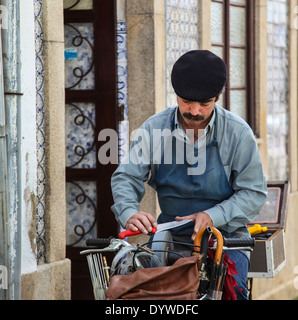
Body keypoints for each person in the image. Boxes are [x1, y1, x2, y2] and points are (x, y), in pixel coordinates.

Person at [110, 50, 267, 299]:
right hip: (169, 236)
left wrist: (211, 216)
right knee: (152, 296)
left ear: (217, 98)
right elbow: (126, 177)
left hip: (225, 237)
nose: (194, 111)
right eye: (186, 102)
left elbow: (254, 193)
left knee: (228, 291)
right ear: (176, 95)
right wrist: (129, 213)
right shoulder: (154, 128)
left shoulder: (238, 132)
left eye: (204, 104)